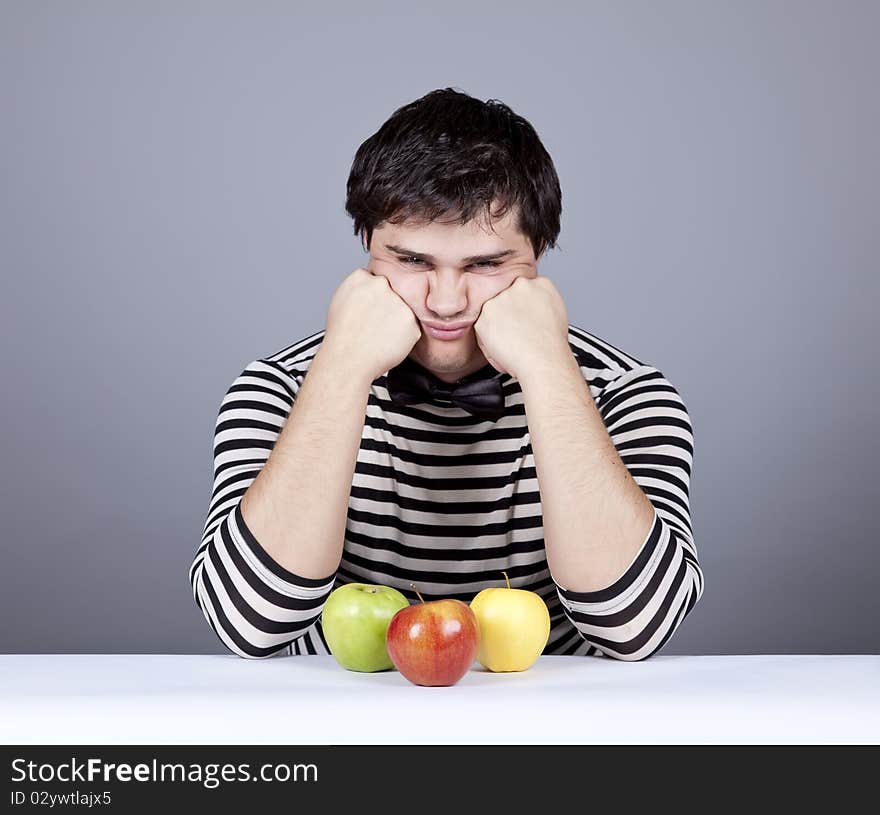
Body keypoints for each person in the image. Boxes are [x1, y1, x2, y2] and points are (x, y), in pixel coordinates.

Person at [189, 87, 704, 662]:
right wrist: (341, 368)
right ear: (366, 244)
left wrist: (549, 371)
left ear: (540, 251)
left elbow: (635, 628)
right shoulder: (276, 390)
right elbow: (250, 624)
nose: (447, 300)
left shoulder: (628, 396)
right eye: (412, 261)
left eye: (485, 264)